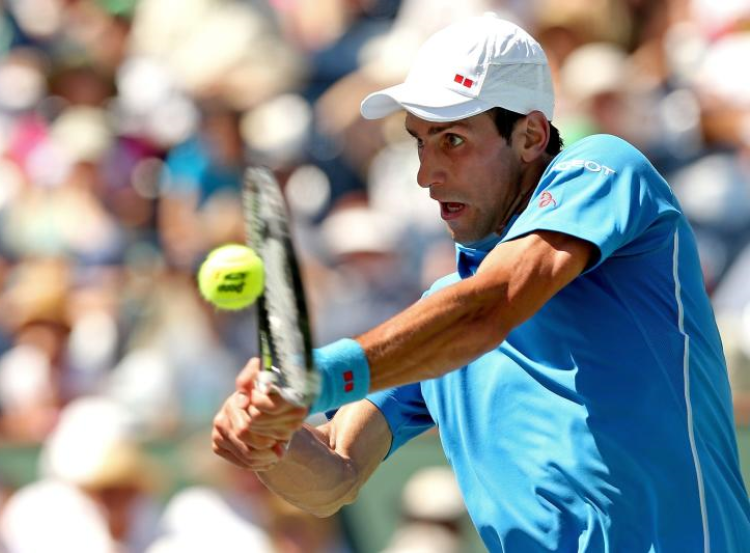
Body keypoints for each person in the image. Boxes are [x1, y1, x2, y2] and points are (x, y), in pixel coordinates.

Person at [211, 14, 750, 552]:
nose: (426, 174)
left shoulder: (606, 168)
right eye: (420, 142)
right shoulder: (439, 325)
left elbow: (490, 307)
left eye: (452, 140)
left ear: (531, 136)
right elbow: (335, 473)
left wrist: (317, 376)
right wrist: (271, 439)